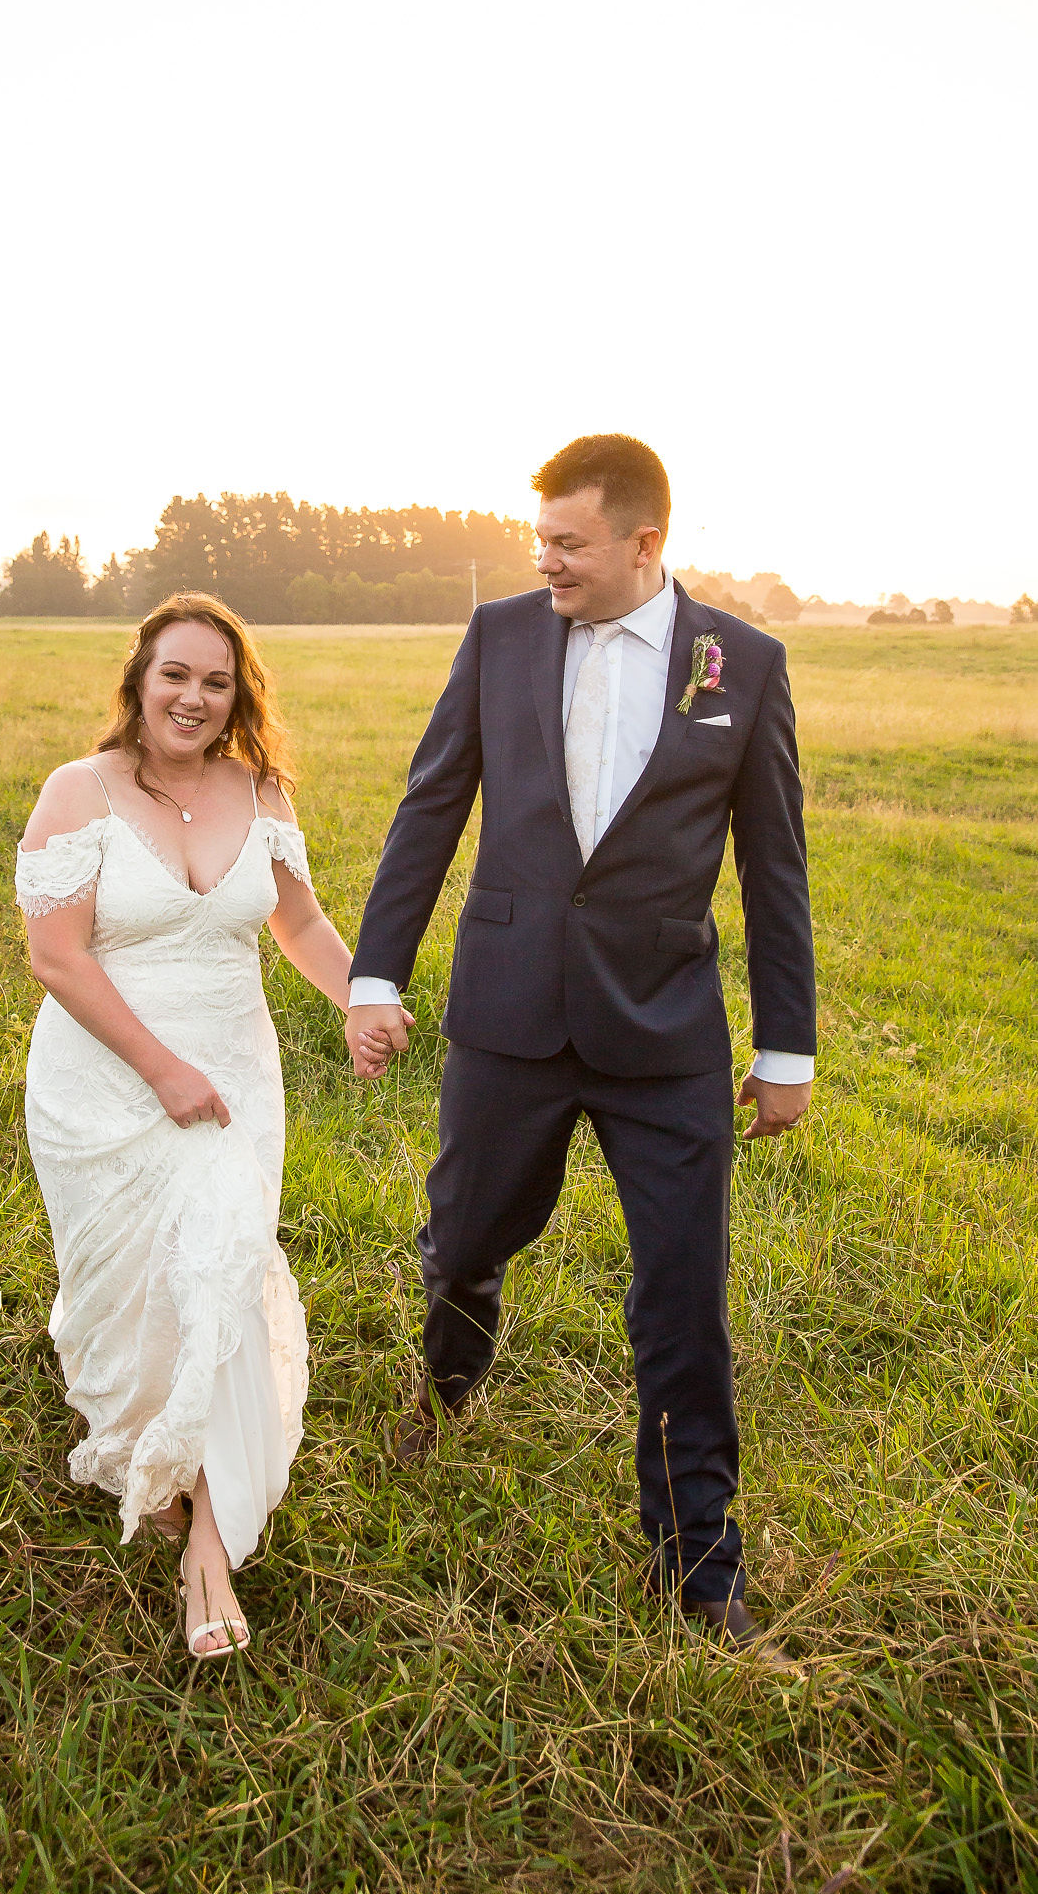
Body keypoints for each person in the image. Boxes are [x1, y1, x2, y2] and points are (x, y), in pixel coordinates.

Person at [344, 434, 815, 1667]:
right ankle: (449, 1381)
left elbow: (774, 868)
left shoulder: (740, 662)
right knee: (465, 1233)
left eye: (568, 541)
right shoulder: (501, 634)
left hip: (666, 1034)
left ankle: (699, 1562)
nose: (543, 559)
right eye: (538, 537)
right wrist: (377, 968)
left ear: (644, 543)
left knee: (682, 1297)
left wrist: (790, 1049)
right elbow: (433, 799)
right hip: (508, 1010)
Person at [17, 592, 390, 1660]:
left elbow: (300, 920)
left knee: (225, 1262)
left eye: (216, 681)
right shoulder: (76, 792)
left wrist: (359, 998)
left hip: (234, 1070)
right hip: (106, 1076)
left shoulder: (257, 788)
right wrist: (160, 1067)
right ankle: (148, 1437)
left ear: (239, 695)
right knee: (130, 1288)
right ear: (139, 677)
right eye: (175, 673)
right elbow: (58, 957)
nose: (193, 696)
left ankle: (211, 1546)